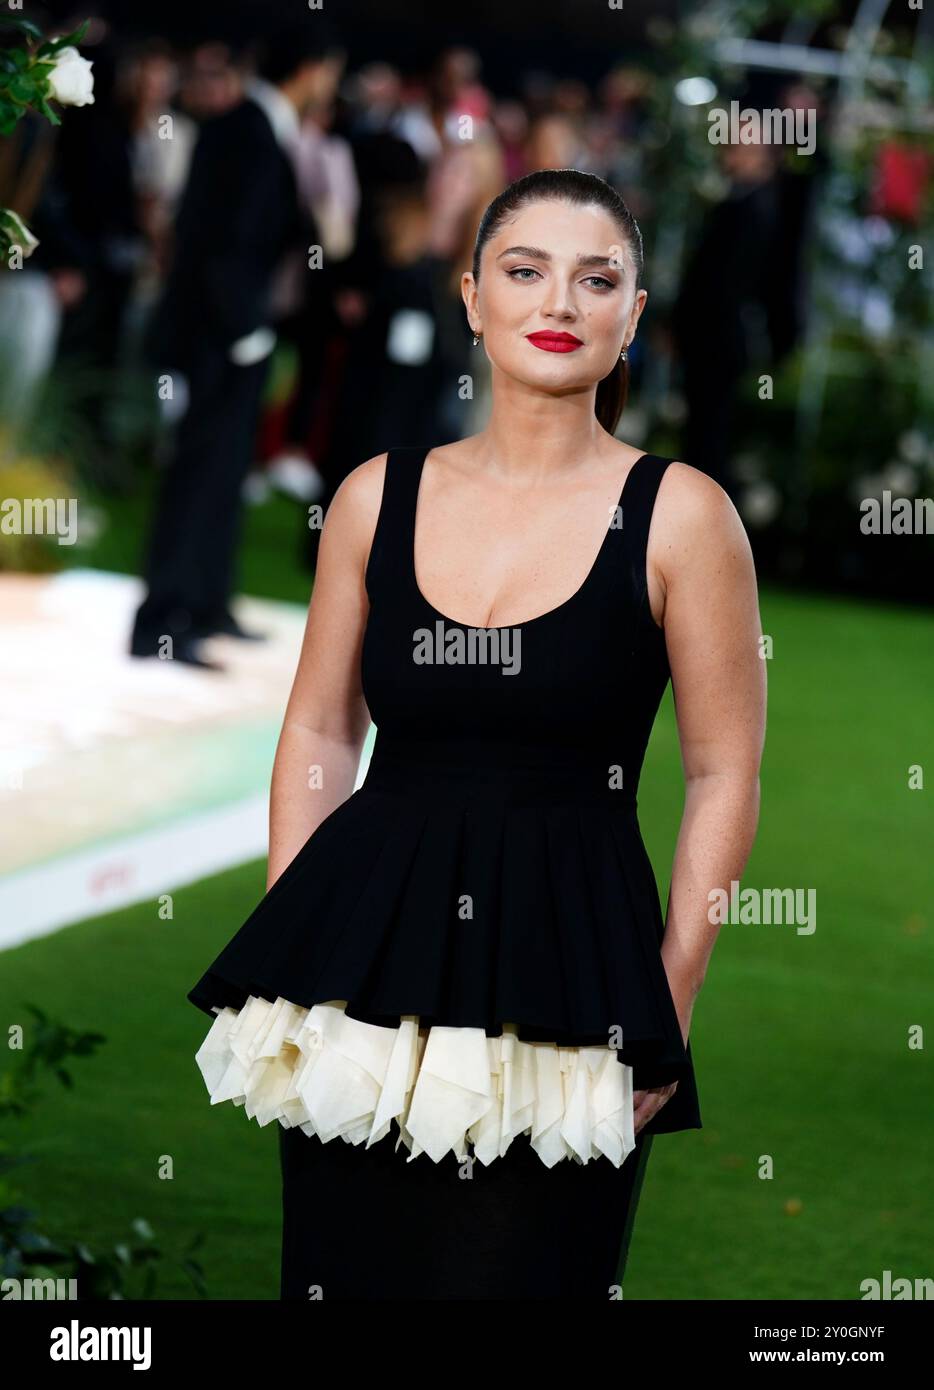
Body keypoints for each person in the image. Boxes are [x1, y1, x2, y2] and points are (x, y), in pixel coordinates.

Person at [188, 169, 766, 1299]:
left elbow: (721, 769)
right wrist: (295, 933)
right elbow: (317, 721)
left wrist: (669, 1001)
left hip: (576, 963)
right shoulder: (373, 496)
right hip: (360, 951)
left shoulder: (681, 513)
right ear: (471, 297)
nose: (560, 300)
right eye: (524, 269)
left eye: (596, 278)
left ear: (631, 316)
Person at [129, 23, 343, 669]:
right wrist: (243, 329)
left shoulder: (260, 126)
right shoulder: (245, 128)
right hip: (220, 337)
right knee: (198, 474)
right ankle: (161, 621)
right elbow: (216, 240)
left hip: (237, 335)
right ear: (310, 71)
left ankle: (205, 605)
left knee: (225, 473)